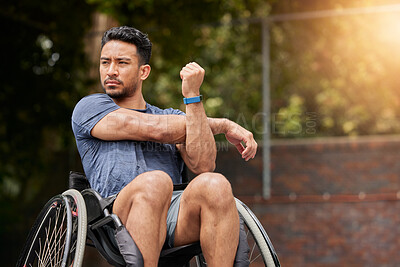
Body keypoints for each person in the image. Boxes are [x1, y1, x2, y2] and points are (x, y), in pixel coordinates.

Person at [72, 26, 257, 267]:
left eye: (122, 63)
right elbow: (154, 129)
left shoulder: (171, 117)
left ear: (143, 72)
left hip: (174, 216)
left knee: (216, 184)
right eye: (105, 62)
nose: (111, 71)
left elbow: (203, 164)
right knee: (155, 181)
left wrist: (192, 96)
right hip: (117, 216)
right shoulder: (90, 108)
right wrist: (223, 124)